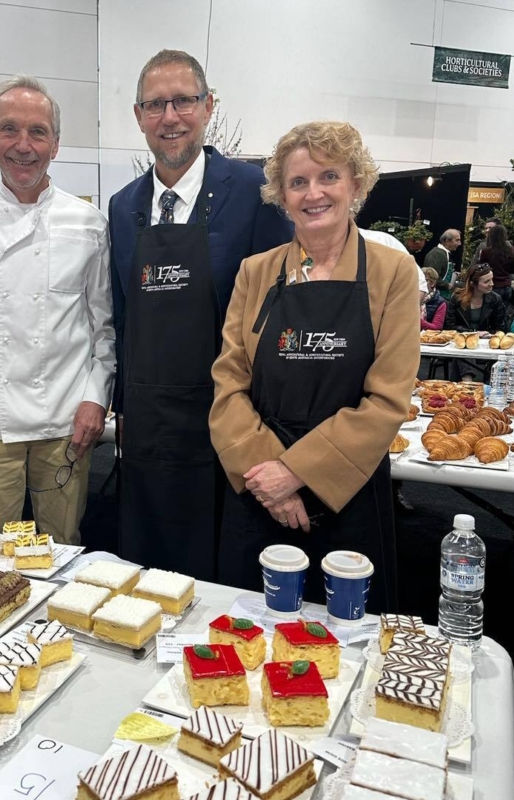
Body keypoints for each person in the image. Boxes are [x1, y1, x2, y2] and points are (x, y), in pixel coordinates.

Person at [209, 121, 420, 613]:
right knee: (249, 639)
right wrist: (272, 480)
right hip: (259, 486)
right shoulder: (255, 271)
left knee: (344, 643)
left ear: (356, 185)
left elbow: (388, 400)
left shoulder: (393, 272)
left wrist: (296, 471)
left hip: (347, 488)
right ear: (282, 196)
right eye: (298, 182)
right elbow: (228, 381)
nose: (313, 193)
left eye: (329, 176)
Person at [108, 49, 292, 580]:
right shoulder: (124, 206)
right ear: (139, 115)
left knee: (219, 574)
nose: (170, 117)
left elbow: (278, 315)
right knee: (146, 574)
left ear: (209, 106)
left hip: (229, 421)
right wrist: (122, 409)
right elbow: (122, 317)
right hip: (147, 426)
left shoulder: (256, 194)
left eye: (184, 101)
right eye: (155, 105)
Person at [0, 76, 115, 545]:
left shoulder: (87, 222)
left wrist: (95, 399)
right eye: (9, 129)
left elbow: (105, 327)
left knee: (62, 547)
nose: (24, 145)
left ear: (56, 144)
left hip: (65, 417)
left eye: (38, 132)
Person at [445, 262, 506, 333]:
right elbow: (449, 326)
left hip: (487, 340)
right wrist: (473, 333)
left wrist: (489, 334)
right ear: (473, 284)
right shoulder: (457, 298)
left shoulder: (496, 299)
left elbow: (500, 328)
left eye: (491, 279)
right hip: (461, 339)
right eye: (486, 282)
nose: (492, 284)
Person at [479, 224, 514, 306]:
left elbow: (482, 268)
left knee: (490, 312)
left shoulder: (486, 251)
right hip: (507, 285)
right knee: (502, 313)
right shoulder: (512, 250)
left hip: (492, 286)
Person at [423, 229, 462, 299]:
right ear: (447, 241)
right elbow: (431, 277)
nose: (459, 243)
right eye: (457, 240)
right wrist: (448, 285)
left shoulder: (444, 253)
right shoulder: (436, 255)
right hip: (435, 298)